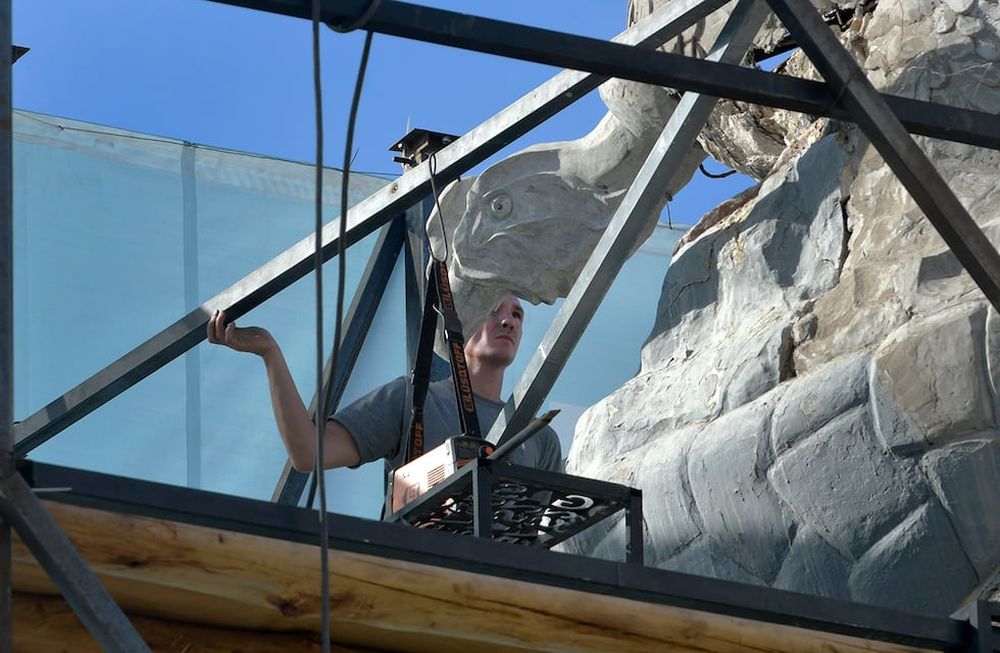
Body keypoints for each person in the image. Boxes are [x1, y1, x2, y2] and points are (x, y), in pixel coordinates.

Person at [206, 294, 562, 498]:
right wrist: (271, 353)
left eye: (517, 314)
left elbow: (548, 540)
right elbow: (308, 452)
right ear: (459, 325)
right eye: (492, 310)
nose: (508, 321)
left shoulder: (540, 437)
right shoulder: (413, 401)